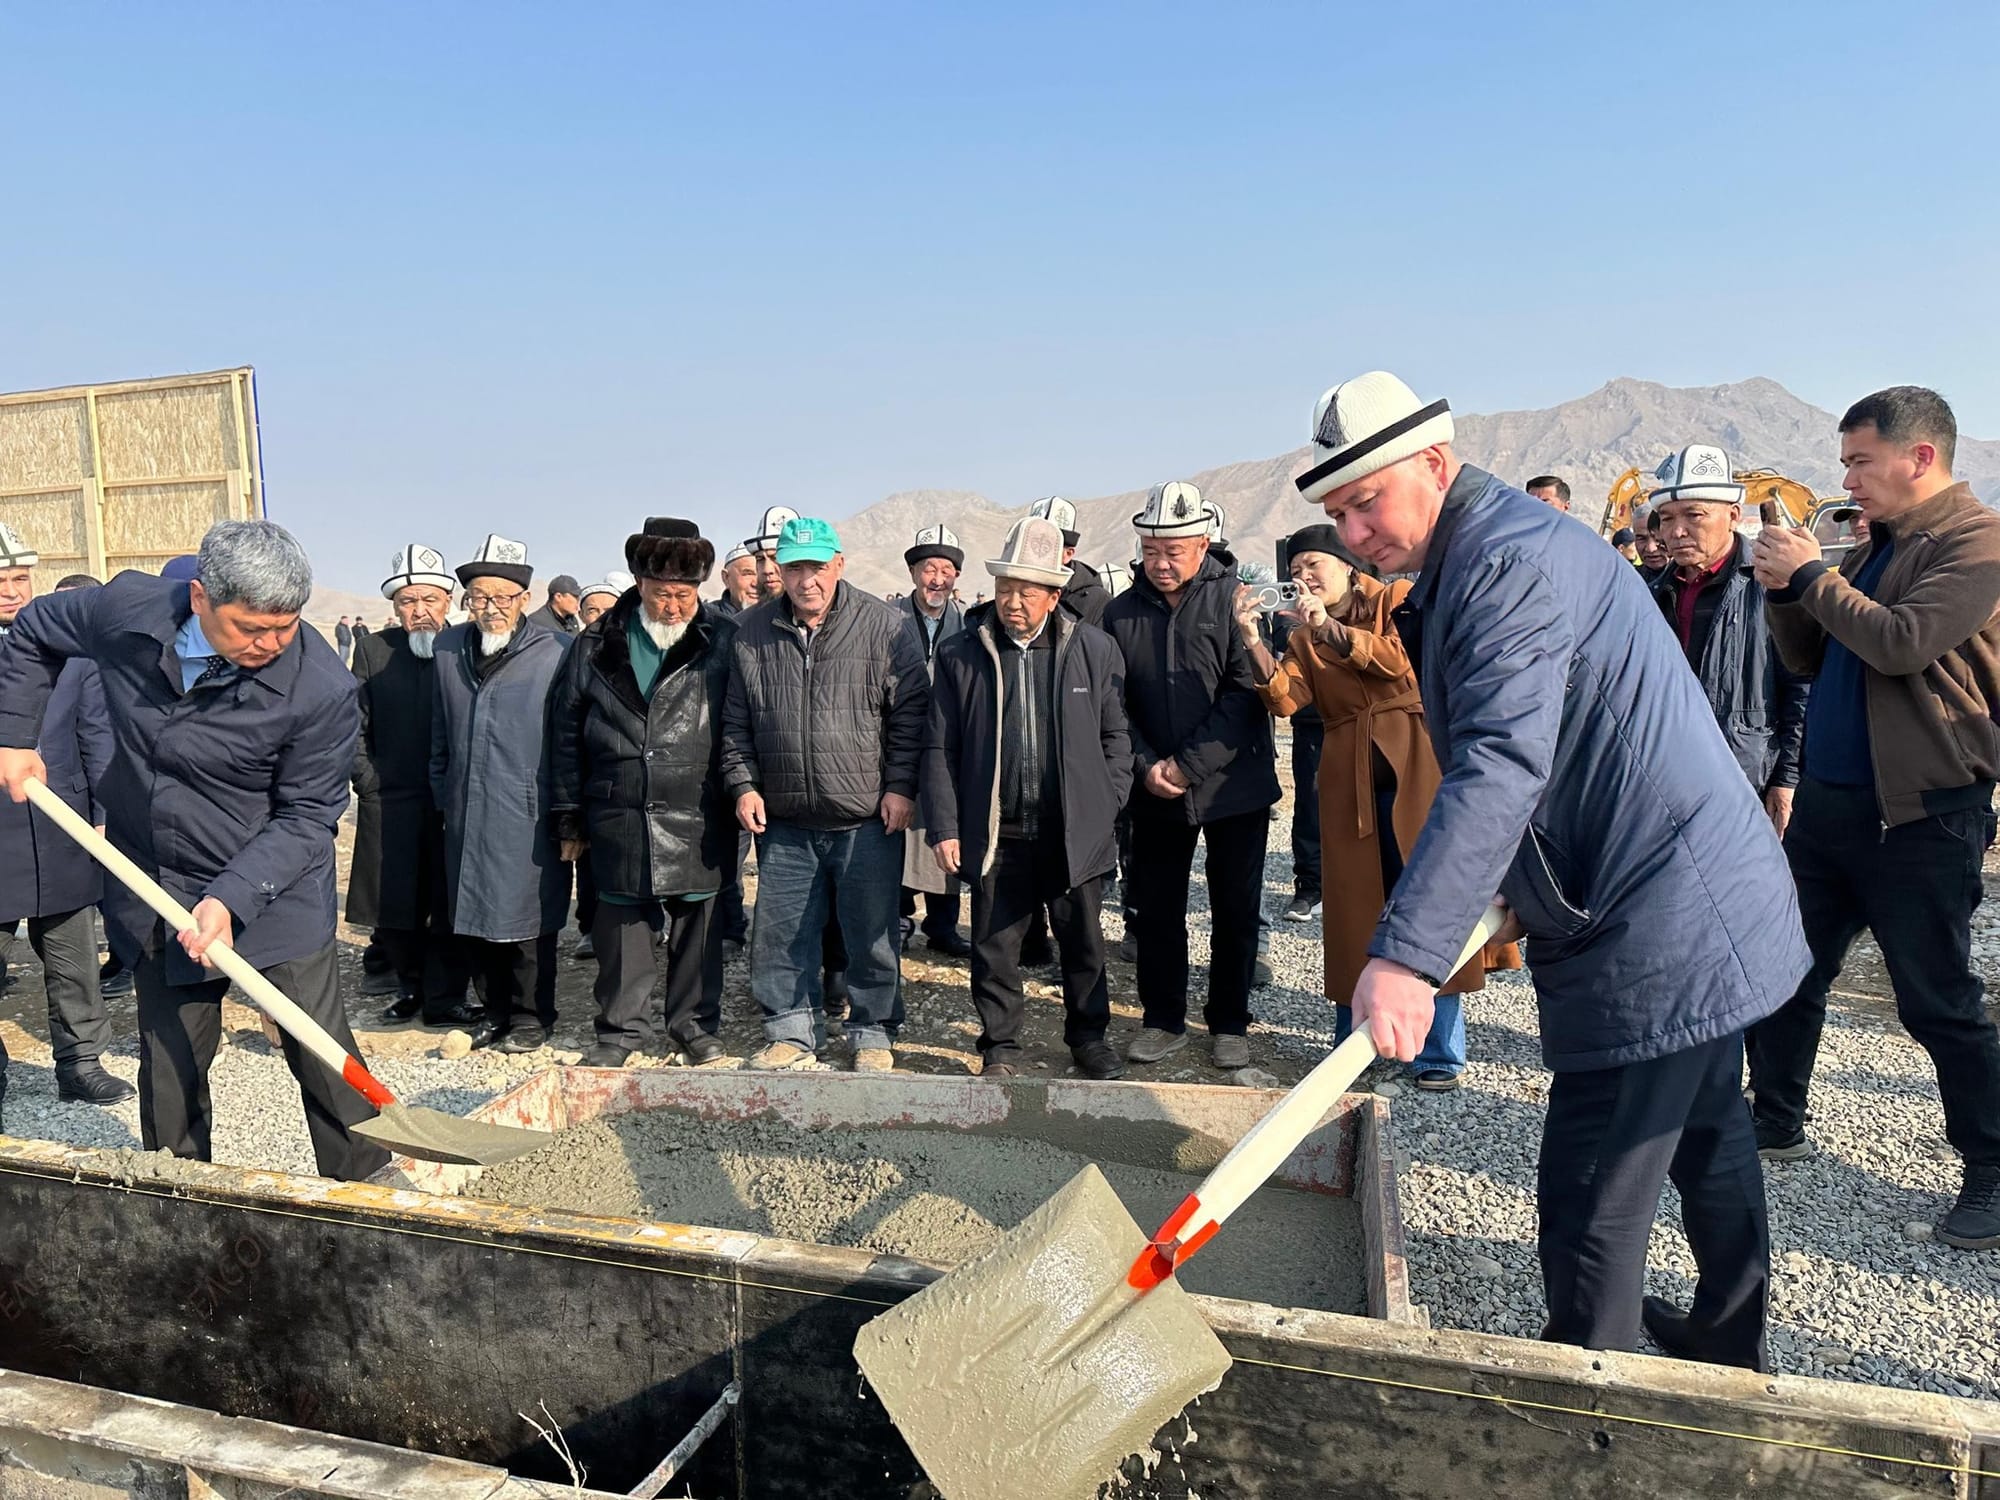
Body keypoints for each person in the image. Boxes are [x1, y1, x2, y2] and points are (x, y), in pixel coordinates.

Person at [1301, 370, 1807, 1371]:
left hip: (1658, 912)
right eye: (1337, 514)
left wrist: (1404, 957)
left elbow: (1499, 762)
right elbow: (1554, 751)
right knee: (1709, 1129)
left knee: (1589, 1182)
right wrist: (1507, 881)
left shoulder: (1505, 564)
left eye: (1367, 503)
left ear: (1434, 464)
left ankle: (1581, 1395)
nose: (1354, 534)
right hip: (1681, 887)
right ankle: (1727, 1346)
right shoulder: (1483, 554)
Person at [0, 521, 392, 1180]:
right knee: (172, 1062)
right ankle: (179, 1195)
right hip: (155, 879)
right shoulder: (127, 613)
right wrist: (15, 736)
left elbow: (306, 815)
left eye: (286, 626)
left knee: (319, 1049)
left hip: (272, 887)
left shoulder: (320, 690)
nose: (271, 643)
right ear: (201, 597)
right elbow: (37, 629)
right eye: (252, 628)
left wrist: (231, 900)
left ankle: (369, 1188)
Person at [1750, 386, 2000, 1249]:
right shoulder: (1871, 548)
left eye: (1860, 461)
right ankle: (1775, 1119)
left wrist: (1811, 576)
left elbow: (1901, 643)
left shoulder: (1978, 543)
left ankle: (1992, 1167)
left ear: (1920, 457)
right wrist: (1785, 593)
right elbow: (1809, 658)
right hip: (1831, 809)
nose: (1848, 479)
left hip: (1922, 817)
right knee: (1788, 972)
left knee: (1937, 1002)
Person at [1241, 523, 1518, 1091]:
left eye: (1314, 564)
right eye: (1295, 570)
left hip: (1418, 760)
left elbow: (1398, 662)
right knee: (1355, 907)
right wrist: (1251, 640)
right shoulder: (1302, 635)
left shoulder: (1396, 598)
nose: (1304, 577)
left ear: (1347, 565)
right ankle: (1353, 1046)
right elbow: (1285, 700)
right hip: (1349, 774)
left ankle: (1439, 1051)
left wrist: (1330, 627)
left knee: (1431, 900)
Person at [924, 517, 1131, 1080]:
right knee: (994, 946)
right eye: (1005, 589)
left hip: (1073, 830)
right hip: (999, 830)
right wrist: (946, 826)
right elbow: (939, 746)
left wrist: (1107, 801)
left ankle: (1089, 1039)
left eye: (1027, 592)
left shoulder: (1094, 649)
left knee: (1083, 944)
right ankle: (1000, 1045)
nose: (1013, 603)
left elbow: (1116, 736)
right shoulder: (963, 654)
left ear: (1054, 595)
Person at [721, 517, 927, 1071]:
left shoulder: (883, 625)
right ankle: (790, 1029)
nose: (805, 580)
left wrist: (900, 787)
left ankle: (873, 1031)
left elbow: (910, 717)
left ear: (839, 564)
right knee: (781, 931)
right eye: (794, 568)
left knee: (871, 931)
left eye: (816, 567)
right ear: (778, 570)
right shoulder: (751, 632)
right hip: (785, 817)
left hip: (866, 816)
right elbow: (736, 722)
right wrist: (744, 785)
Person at [1102, 481, 1280, 1072]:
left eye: (1173, 551)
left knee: (1234, 908)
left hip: (1234, 786)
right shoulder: (1120, 613)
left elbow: (1245, 695)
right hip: (1154, 789)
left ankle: (1229, 1023)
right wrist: (1146, 765)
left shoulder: (1235, 603)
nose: (1160, 562)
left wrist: (1187, 764)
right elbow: (1113, 704)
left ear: (1203, 545)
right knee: (1157, 909)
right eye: (1151, 550)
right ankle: (1162, 1020)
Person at [552, 519, 737, 1068]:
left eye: (684, 595)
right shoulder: (594, 643)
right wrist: (569, 815)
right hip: (619, 806)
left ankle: (694, 1025)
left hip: (699, 807)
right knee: (622, 924)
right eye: (662, 594)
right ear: (639, 583)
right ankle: (620, 1031)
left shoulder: (723, 640)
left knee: (698, 925)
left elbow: (741, 724)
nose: (673, 606)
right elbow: (564, 732)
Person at [0, 545, 131, 1114]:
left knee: (73, 956)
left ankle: (81, 1063)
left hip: (62, 824)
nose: (12, 591)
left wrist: (104, 816)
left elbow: (95, 734)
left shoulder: (68, 651)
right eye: (1, 580)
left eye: (20, 578)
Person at [430, 535, 571, 1053]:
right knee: (473, 915)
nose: (490, 608)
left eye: (502, 597)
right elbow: (440, 733)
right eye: (479, 597)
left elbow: (569, 739)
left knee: (527, 919)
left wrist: (567, 811)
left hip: (527, 809)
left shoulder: (556, 652)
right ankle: (494, 1012)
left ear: (524, 599)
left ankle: (532, 1016)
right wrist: (444, 794)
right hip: (466, 806)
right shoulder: (449, 649)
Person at [1647, 446, 1809, 836]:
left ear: (1734, 515)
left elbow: (1801, 686)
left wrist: (1786, 778)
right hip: (1666, 780)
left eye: (1694, 515)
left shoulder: (1772, 586)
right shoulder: (1651, 595)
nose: (1677, 531)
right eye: (1667, 519)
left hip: (1746, 782)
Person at [348, 544, 477, 1028]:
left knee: (447, 902)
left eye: (429, 599)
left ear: (448, 602)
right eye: (407, 601)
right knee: (395, 904)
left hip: (453, 800)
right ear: (395, 606)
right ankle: (410, 988)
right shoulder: (374, 650)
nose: (419, 610)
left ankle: (445, 998)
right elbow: (352, 725)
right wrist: (367, 780)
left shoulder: (466, 646)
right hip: (390, 798)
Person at [895, 524, 969, 958]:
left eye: (945, 570)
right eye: (928, 569)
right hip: (901, 742)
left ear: (956, 576)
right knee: (900, 833)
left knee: (946, 827)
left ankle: (944, 926)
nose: (937, 580)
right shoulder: (889, 621)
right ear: (913, 573)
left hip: (949, 745)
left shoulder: (970, 625)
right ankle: (899, 920)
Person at [1029, 496, 1110, 627]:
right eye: (1031, 544)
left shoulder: (1097, 602)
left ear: (1067, 554)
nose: (1036, 553)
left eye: (1046, 546)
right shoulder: (1014, 590)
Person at [714, 543, 759, 617]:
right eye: (748, 574)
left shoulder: (776, 617)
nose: (756, 583)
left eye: (761, 574)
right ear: (726, 578)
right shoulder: (706, 619)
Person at [1634, 506, 1671, 582]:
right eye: (1641, 538)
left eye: (1657, 538)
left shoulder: (1690, 580)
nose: (1651, 549)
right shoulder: (1627, 578)